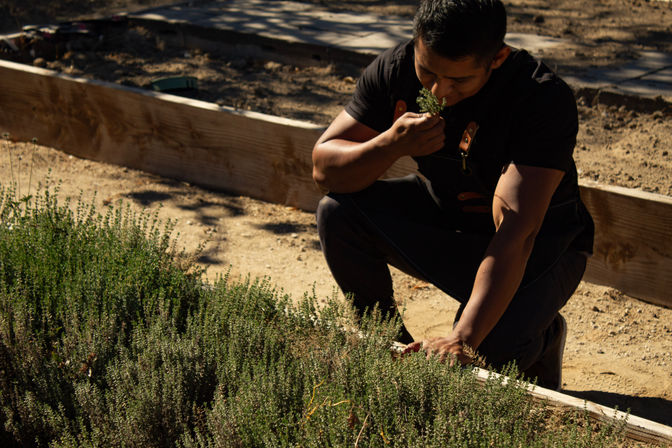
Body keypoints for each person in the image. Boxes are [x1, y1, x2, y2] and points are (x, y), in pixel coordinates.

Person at [311, 0, 593, 390]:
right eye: (426, 72)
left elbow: (517, 233)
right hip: (449, 218)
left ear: (498, 58)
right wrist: (388, 145)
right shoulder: (394, 68)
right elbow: (323, 168)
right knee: (337, 213)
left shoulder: (540, 98)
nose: (438, 91)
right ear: (416, 44)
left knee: (489, 348)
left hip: (543, 248)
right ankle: (395, 356)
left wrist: (463, 338)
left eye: (458, 81)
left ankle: (540, 338)